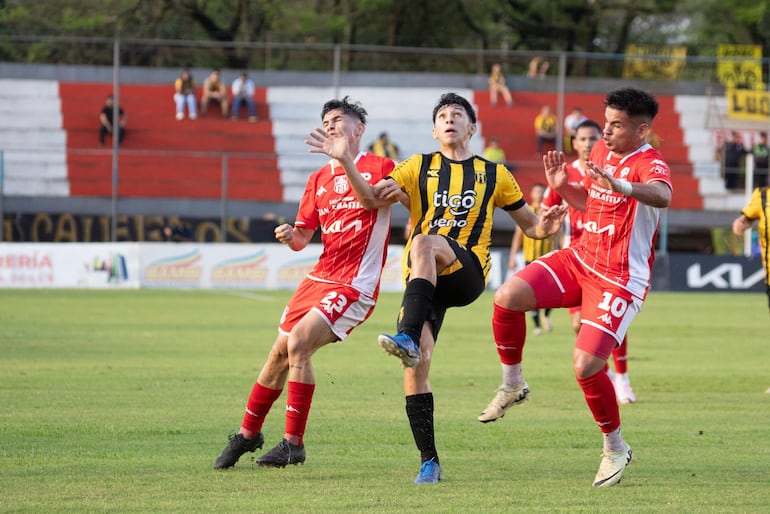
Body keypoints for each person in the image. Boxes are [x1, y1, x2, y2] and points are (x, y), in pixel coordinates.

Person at [479, 87, 672, 488]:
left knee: (585, 365)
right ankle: (513, 384)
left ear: (641, 130)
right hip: (580, 257)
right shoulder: (600, 153)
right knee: (506, 297)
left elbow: (663, 195)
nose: (607, 132)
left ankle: (615, 447)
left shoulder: (649, 162)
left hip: (619, 278)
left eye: (616, 125)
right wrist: (563, 185)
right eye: (606, 123)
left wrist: (625, 186)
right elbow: (590, 202)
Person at [374, 92, 566, 484]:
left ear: (472, 128)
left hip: (467, 271)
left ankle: (407, 335)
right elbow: (377, 192)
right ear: (433, 130)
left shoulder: (495, 174)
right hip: (424, 283)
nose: (449, 119)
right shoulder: (417, 166)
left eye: (457, 114)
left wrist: (549, 224)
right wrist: (378, 186)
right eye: (442, 115)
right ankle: (429, 461)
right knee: (415, 368)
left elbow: (533, 227)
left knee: (425, 241)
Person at [212, 97, 402, 470]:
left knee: (299, 343)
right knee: (277, 355)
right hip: (318, 277)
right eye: (326, 121)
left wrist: (344, 158)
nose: (331, 126)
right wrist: (290, 234)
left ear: (359, 129)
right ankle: (248, 434)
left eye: (338, 120)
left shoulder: (382, 166)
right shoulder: (317, 180)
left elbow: (369, 201)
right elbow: (303, 238)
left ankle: (292, 444)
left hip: (354, 284)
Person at [542, 119, 637, 404]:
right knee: (579, 325)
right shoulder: (564, 173)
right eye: (581, 139)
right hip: (576, 261)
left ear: (601, 141)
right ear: (574, 143)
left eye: (592, 138)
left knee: (609, 322)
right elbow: (546, 212)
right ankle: (605, 374)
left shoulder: (612, 172)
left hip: (608, 262)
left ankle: (622, 378)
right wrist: (551, 219)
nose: (586, 144)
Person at [509, 183, 555, 336]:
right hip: (530, 258)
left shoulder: (549, 212)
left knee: (551, 291)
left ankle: (546, 315)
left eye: (542, 191)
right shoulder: (527, 211)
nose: (539, 194)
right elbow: (518, 236)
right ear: (532, 194)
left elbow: (559, 234)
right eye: (536, 191)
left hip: (548, 259)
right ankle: (537, 326)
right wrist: (512, 256)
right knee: (533, 291)